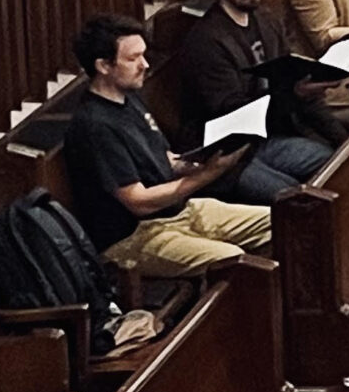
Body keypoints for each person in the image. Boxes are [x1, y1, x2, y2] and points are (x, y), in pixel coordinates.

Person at [63, 15, 272, 274]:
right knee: (234, 260)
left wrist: (207, 158)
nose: (145, 64)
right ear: (103, 65)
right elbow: (138, 201)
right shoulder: (94, 125)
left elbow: (164, 159)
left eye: (144, 54)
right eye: (133, 58)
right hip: (135, 236)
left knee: (276, 222)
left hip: (178, 213)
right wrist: (208, 174)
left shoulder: (129, 99)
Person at [169, 0, 349, 201]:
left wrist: (343, 140)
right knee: (296, 198)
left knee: (334, 166)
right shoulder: (206, 42)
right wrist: (294, 94)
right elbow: (232, 113)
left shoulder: (265, 20)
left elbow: (296, 81)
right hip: (228, 153)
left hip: (267, 138)